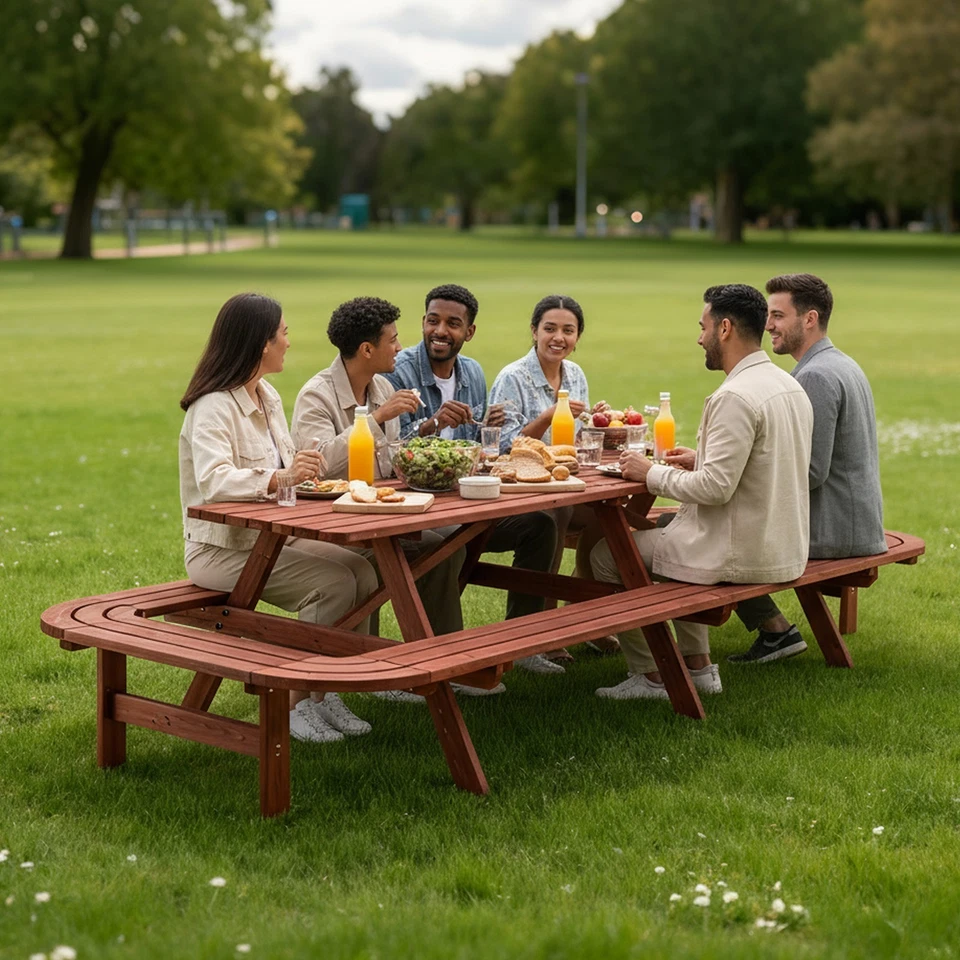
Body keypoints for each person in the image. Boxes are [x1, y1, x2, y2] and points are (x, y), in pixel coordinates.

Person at [590, 283, 814, 699]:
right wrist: (702, 457)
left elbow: (714, 489)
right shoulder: (788, 385)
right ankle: (697, 667)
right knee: (672, 532)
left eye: (703, 326)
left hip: (740, 552)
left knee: (606, 555)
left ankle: (652, 675)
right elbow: (768, 461)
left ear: (724, 328)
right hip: (782, 546)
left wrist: (648, 473)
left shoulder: (734, 395)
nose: (699, 338)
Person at [179, 292, 378, 744]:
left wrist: (302, 469)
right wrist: (278, 477)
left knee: (363, 569)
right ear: (259, 344)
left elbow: (284, 471)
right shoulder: (211, 407)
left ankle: (325, 692)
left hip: (273, 537)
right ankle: (293, 704)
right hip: (219, 550)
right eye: (283, 334)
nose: (289, 342)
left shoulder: (266, 395)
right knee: (334, 583)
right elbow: (214, 482)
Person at [291, 296, 500, 698]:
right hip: (333, 523)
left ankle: (439, 661)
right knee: (369, 566)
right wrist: (376, 418)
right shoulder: (316, 395)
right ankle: (367, 671)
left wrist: (426, 438)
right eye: (393, 339)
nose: (400, 347)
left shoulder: (382, 385)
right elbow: (317, 468)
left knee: (445, 549)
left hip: (381, 514)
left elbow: (390, 459)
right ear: (367, 350)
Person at [384, 283, 560, 675]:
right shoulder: (399, 371)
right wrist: (433, 423)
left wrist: (487, 431)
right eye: (433, 321)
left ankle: (524, 642)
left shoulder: (474, 372)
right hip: (420, 509)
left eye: (452, 323)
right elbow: (390, 451)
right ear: (423, 322)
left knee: (540, 525)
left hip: (466, 502)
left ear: (470, 331)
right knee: (445, 548)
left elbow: (474, 451)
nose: (440, 331)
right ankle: (451, 662)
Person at [727, 273, 887, 663]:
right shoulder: (840, 362)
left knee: (716, 533)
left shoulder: (815, 375)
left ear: (809, 319)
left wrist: (731, 474)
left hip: (834, 530)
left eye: (778, 316)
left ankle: (774, 631)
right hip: (855, 521)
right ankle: (774, 632)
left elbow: (810, 472)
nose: (767, 326)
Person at [488, 294, 618, 662]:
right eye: (550, 328)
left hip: (565, 481)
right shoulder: (512, 377)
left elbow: (574, 440)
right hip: (521, 491)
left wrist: (596, 420)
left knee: (610, 517)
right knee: (556, 514)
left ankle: (586, 619)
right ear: (534, 331)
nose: (558, 337)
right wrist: (549, 415)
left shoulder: (575, 374)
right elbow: (501, 448)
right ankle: (542, 628)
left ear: (577, 337)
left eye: (568, 330)